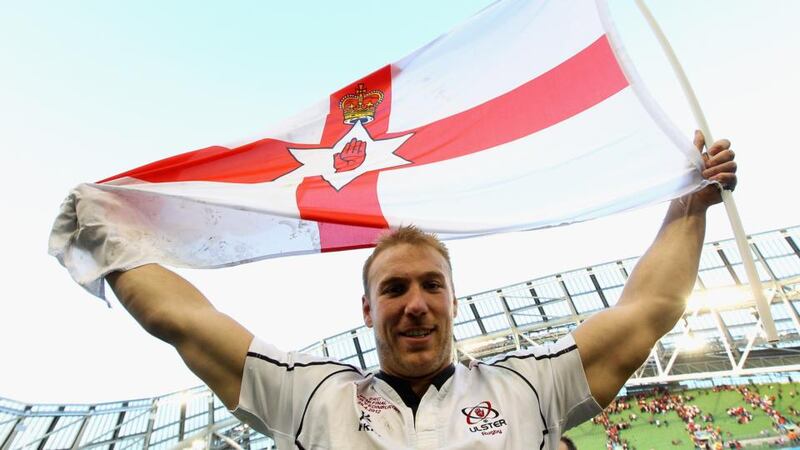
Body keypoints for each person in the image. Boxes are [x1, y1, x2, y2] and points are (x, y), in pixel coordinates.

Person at [102, 131, 736, 449]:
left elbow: (650, 309)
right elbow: (181, 318)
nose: (415, 303)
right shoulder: (310, 395)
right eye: (395, 288)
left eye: (432, 285)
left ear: (454, 300)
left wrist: (692, 200)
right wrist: (103, 237)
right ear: (367, 308)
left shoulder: (529, 388)